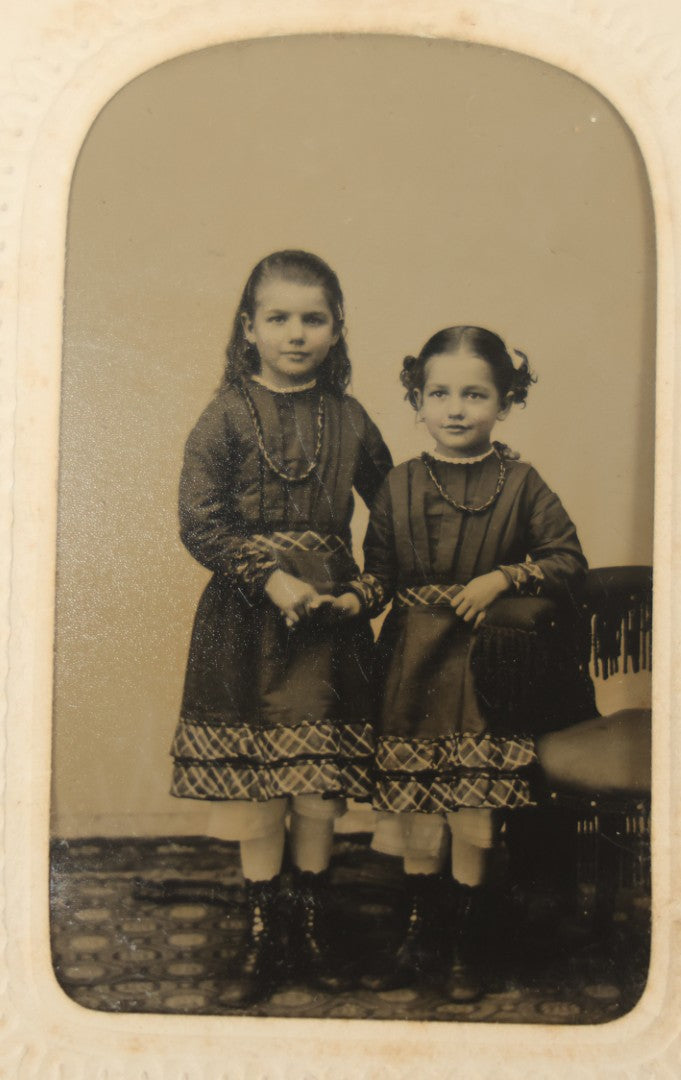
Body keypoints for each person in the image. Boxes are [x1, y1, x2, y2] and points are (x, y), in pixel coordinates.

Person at [328, 325, 595, 1002]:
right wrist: (349, 601)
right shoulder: (396, 484)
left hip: (483, 672)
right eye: (438, 392)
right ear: (416, 400)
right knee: (419, 812)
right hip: (411, 668)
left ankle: (467, 940)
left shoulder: (521, 482)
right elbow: (379, 574)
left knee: (472, 810)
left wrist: (504, 578)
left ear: (504, 402)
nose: (455, 408)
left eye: (474, 394)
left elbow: (567, 560)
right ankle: (421, 932)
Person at [169, 250, 392, 1005]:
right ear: (249, 327)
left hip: (328, 634)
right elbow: (199, 521)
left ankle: (313, 923)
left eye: (313, 318)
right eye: (278, 318)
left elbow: (393, 522)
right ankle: (269, 933)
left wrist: (363, 593)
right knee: (262, 785)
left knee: (318, 789)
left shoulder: (352, 419)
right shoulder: (226, 415)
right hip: (247, 627)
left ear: (335, 330)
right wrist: (267, 576)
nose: (296, 334)